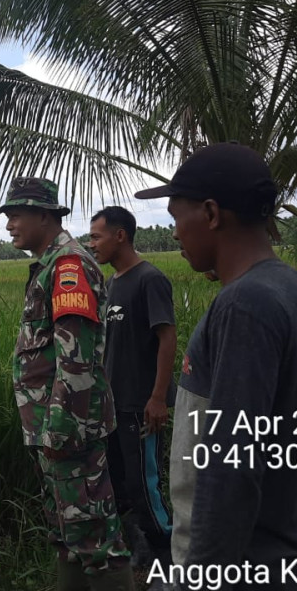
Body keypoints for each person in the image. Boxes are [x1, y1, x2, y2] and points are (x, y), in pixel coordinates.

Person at [135, 143, 297, 590]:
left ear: (210, 213)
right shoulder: (290, 287)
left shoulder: (245, 304)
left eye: (174, 218)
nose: (174, 234)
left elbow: (231, 469)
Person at [0, 177, 135, 591]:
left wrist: (60, 429)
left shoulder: (68, 266)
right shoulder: (51, 264)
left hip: (68, 429)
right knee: (65, 528)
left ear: (45, 216)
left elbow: (76, 360)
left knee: (93, 533)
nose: (9, 225)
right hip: (50, 428)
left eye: (16, 215)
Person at [87, 206, 176, 569]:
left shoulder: (149, 279)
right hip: (113, 404)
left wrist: (157, 398)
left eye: (96, 236)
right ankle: (142, 546)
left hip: (141, 404)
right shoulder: (112, 284)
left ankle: (168, 555)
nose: (91, 244)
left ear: (120, 235)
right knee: (120, 483)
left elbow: (167, 338)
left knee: (144, 483)